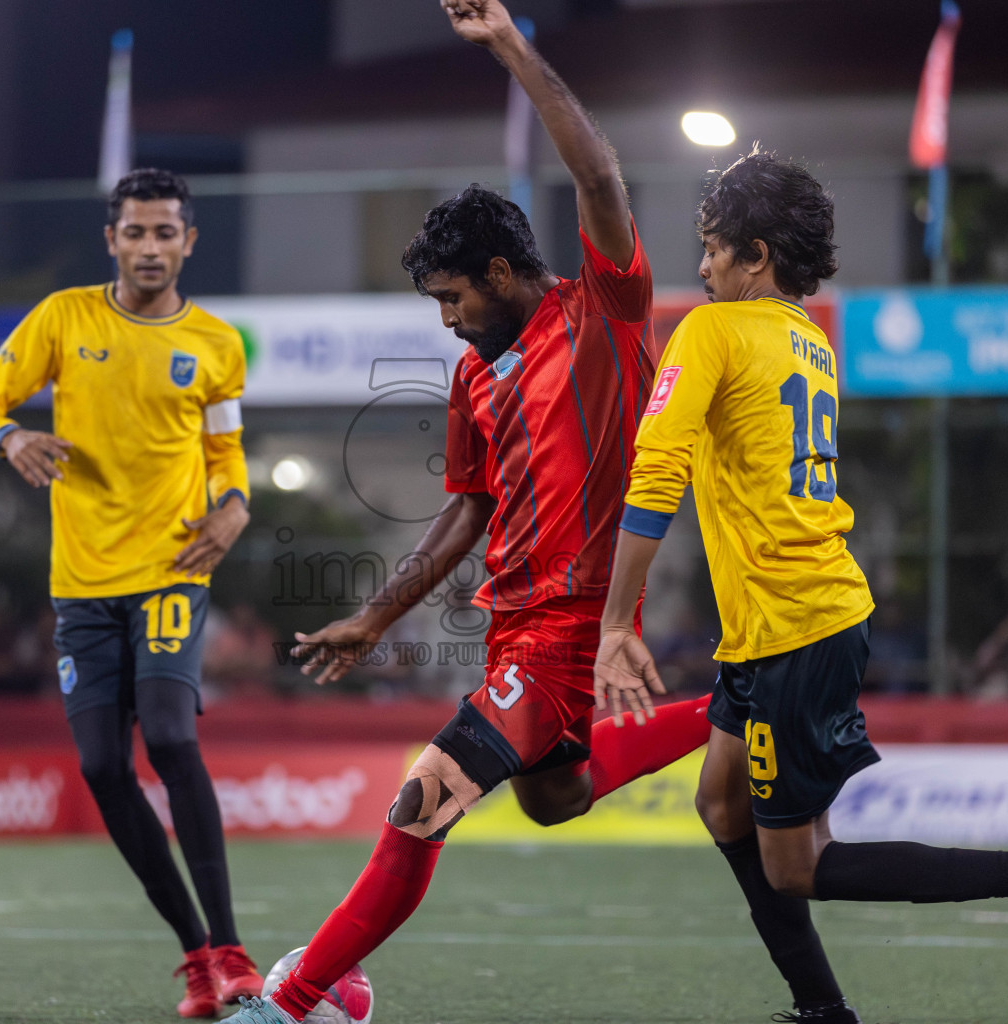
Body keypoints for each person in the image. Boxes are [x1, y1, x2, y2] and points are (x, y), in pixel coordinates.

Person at [224, 5, 713, 1023]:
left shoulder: (603, 315)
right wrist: (376, 614)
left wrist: (509, 49)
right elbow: (467, 514)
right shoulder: (475, 375)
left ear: (500, 273)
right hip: (512, 624)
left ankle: (309, 994)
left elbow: (601, 180)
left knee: (423, 797)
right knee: (553, 795)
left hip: (576, 621)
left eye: (452, 296)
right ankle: (740, 712)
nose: (445, 318)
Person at [593, 148, 1008, 1023]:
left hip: (791, 629)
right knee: (720, 803)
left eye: (715, 248)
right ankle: (821, 1008)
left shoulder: (713, 330)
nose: (704, 264)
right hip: (798, 618)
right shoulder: (807, 337)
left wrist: (617, 622)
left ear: (756, 255)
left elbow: (656, 478)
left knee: (795, 863)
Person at [0, 168, 263, 1018]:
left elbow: (225, 451)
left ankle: (234, 950)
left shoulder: (216, 343)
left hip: (172, 570)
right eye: (136, 232)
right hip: (81, 586)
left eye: (166, 232)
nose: (151, 247)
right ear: (112, 241)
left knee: (167, 736)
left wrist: (235, 504)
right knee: (99, 765)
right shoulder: (64, 318)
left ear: (189, 241)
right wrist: (11, 436)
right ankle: (196, 957)